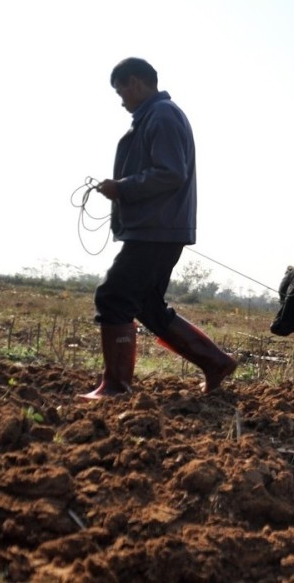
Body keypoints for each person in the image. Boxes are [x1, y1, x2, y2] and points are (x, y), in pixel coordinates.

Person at [80, 57, 237, 400]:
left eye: (120, 89)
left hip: (155, 229)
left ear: (134, 82)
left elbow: (170, 173)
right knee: (146, 306)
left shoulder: (162, 116)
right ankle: (215, 362)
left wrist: (121, 188)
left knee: (114, 296)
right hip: (159, 228)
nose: (120, 98)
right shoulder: (154, 116)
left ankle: (116, 387)